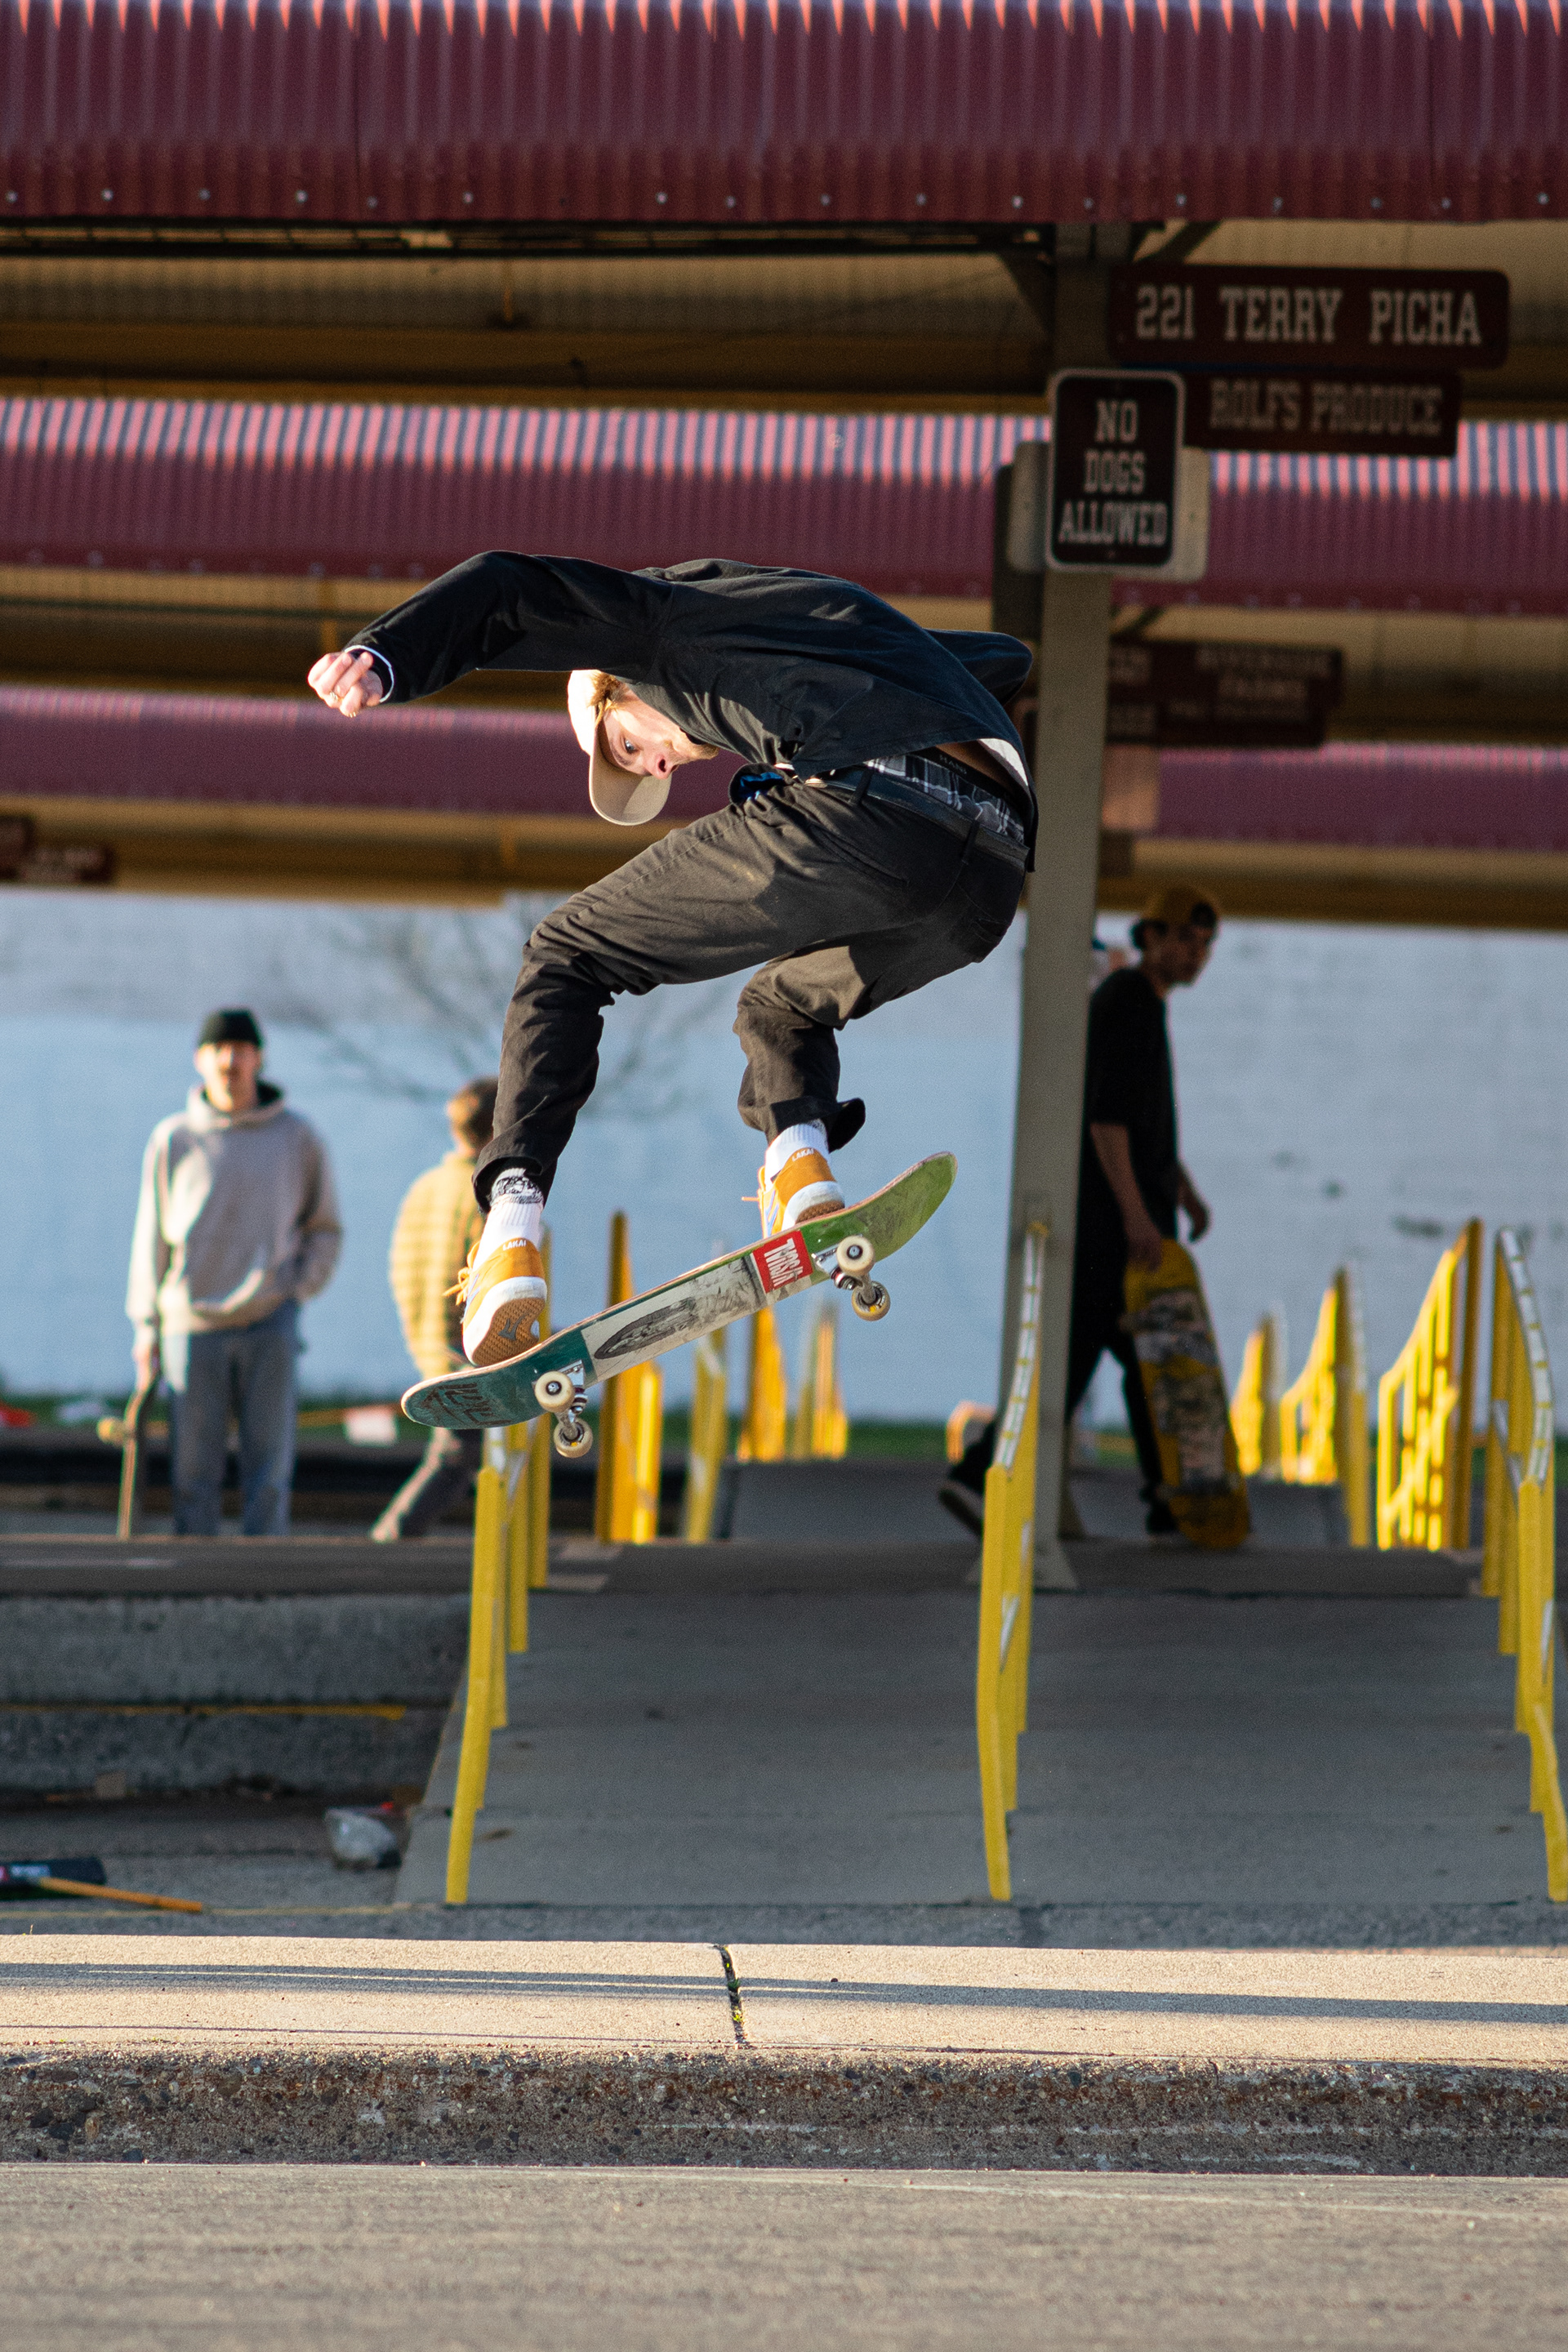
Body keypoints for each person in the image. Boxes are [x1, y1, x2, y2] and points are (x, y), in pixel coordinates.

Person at [306, 555, 1035, 1365]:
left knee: (566, 953)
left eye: (625, 745)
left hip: (863, 814)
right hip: (987, 878)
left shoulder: (667, 627)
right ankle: (800, 1173)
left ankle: (509, 1236)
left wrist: (385, 656)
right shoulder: (835, 620)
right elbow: (1010, 658)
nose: (655, 766)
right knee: (781, 1005)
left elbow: (513, 588)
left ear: (619, 686)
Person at [942, 882, 1219, 1540]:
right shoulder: (1128, 1005)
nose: (1196, 953)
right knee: (1098, 1365)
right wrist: (1138, 1217)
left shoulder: (1142, 1005)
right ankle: (984, 1475)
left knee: (1138, 1366)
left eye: (1205, 943)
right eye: (1184, 937)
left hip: (1129, 1226)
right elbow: (1107, 1125)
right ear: (1149, 937)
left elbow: (1140, 1124)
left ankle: (1163, 1502)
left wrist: (1180, 1187)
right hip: (1116, 1233)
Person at [127, 1009, 343, 1536]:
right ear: (200, 1060)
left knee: (268, 1471)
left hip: (270, 1321)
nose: (230, 1059)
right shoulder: (173, 1138)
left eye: (241, 1048)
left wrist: (296, 1288)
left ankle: (262, 1587)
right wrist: (145, 1325)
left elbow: (325, 1227)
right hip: (190, 1326)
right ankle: (196, 1589)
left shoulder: (297, 1137)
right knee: (192, 1475)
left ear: (258, 1058)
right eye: (218, 1049)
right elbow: (151, 1235)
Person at [372, 1078, 498, 1542]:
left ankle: (394, 1542)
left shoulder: (424, 1188)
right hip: (466, 1349)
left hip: (427, 1337)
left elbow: (399, 1263)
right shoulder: (486, 1198)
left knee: (459, 1453)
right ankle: (389, 1543)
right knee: (456, 1458)